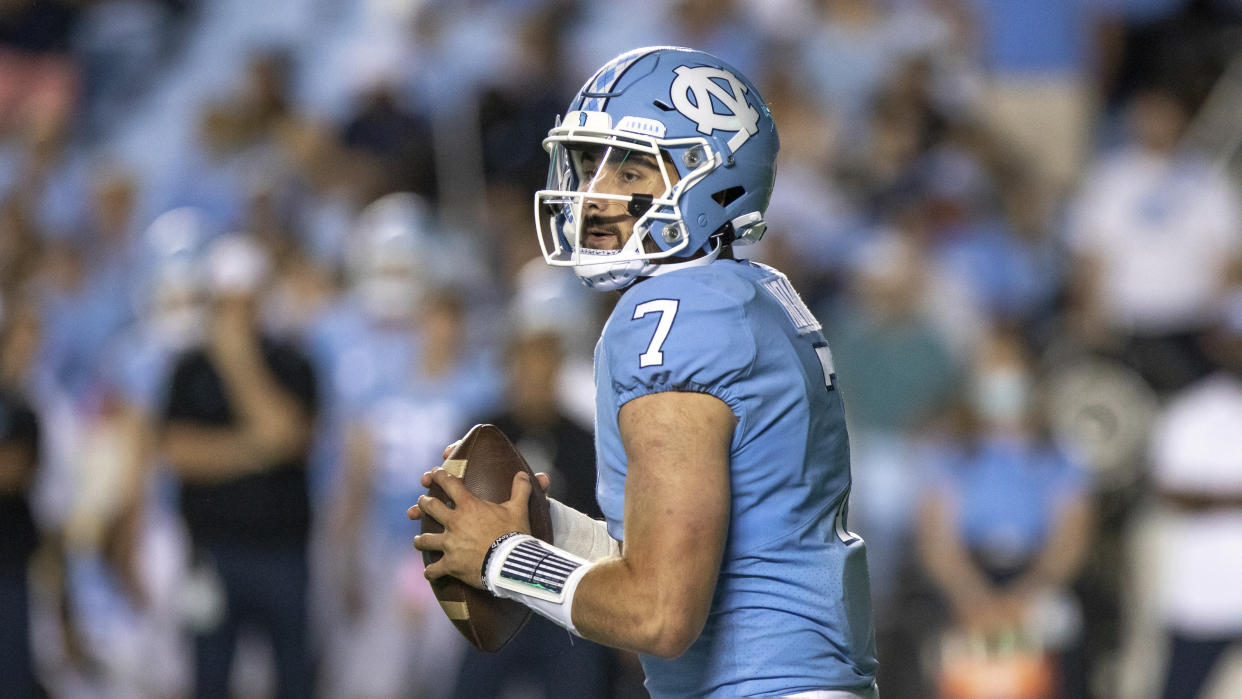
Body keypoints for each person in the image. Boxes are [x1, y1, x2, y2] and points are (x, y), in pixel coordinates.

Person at [411, 46, 879, 697]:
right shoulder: (754, 293)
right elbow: (698, 555)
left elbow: (659, 612)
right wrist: (552, 530)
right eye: (591, 164)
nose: (595, 196)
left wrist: (504, 558)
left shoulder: (674, 313)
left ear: (711, 179)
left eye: (630, 168)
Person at [160, 233, 318, 698]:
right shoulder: (188, 368)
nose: (234, 316)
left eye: (242, 303)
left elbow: (291, 437)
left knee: (292, 677)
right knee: (209, 677)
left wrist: (239, 363)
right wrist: (257, 450)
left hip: (282, 552)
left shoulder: (292, 362)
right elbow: (179, 453)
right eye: (224, 304)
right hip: (211, 550)